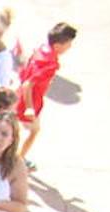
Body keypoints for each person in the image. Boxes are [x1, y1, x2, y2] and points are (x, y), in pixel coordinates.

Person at [16, 22, 78, 166]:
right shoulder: (49, 64)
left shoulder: (42, 50)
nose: (70, 47)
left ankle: (18, 157)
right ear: (58, 46)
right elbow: (28, 85)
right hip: (29, 101)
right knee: (33, 131)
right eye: (68, 44)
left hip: (21, 97)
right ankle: (18, 159)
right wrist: (30, 107)